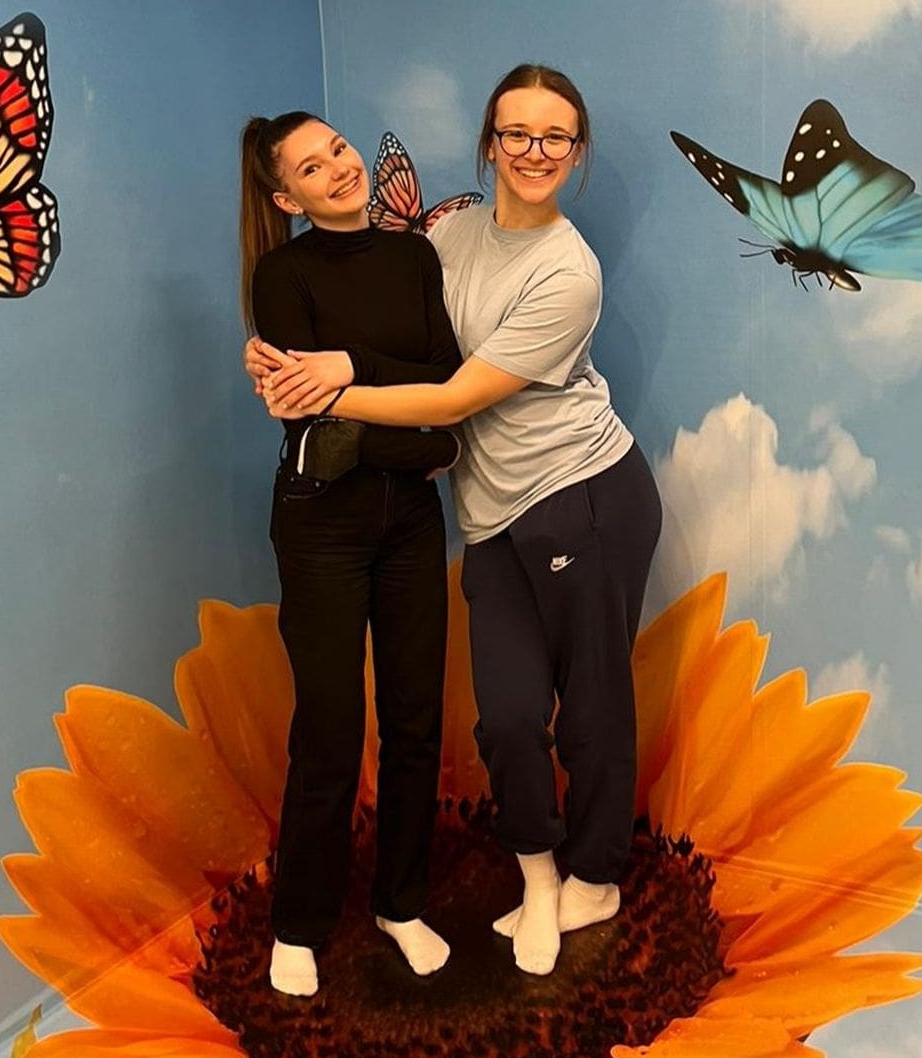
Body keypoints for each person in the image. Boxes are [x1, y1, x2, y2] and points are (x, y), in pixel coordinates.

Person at [255, 66, 662, 978]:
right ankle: (533, 878)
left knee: (589, 707)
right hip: (486, 514)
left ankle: (591, 878)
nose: (534, 151)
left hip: (581, 490)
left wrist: (334, 381)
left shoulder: (568, 273)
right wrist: (284, 366)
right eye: (516, 133)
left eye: (555, 137)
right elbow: (393, 352)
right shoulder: (445, 236)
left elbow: (447, 398)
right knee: (506, 718)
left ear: (577, 153)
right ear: (489, 143)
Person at [240, 111, 463, 998]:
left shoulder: (414, 259)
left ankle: (400, 904)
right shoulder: (281, 275)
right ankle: (299, 922)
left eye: (337, 148)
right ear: (285, 198)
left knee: (415, 722)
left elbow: (449, 385)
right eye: (310, 167)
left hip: (412, 520)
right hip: (321, 520)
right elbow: (309, 413)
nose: (337, 167)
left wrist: (345, 368)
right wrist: (405, 415)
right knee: (330, 729)